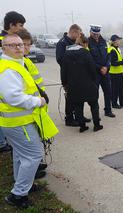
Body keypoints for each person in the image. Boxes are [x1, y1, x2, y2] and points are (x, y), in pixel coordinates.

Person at [0, 34, 58, 208]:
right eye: (13, 45)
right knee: (33, 156)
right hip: (19, 122)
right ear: (4, 48)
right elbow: (13, 97)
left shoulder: (14, 63)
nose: (18, 48)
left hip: (17, 122)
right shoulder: (9, 69)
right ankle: (17, 195)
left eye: (20, 44)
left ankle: (24, 185)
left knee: (20, 155)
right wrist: (37, 101)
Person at [17, 28, 49, 178]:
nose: (27, 48)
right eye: (24, 44)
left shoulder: (25, 60)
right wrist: (38, 100)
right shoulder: (16, 65)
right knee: (29, 152)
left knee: (27, 150)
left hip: (36, 104)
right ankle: (21, 191)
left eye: (29, 45)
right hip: (26, 111)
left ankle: (33, 169)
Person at [62, 33, 103, 133]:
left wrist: (65, 84)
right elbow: (92, 68)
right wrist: (94, 80)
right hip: (88, 84)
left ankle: (82, 126)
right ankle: (97, 125)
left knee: (78, 107)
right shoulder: (85, 53)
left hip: (73, 86)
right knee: (94, 105)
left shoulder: (66, 54)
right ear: (84, 43)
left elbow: (63, 71)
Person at [0, 11, 26, 153]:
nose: (21, 28)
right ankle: (3, 143)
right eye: (20, 25)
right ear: (11, 25)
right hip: (7, 87)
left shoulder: (11, 39)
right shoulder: (3, 41)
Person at [56, 24, 91, 126]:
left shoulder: (75, 42)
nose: (80, 36)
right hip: (69, 75)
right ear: (73, 32)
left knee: (79, 96)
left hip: (78, 75)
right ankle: (69, 118)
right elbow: (60, 59)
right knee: (70, 98)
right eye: (79, 34)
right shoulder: (62, 43)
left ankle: (79, 116)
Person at [88, 25, 115, 118]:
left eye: (97, 34)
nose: (96, 35)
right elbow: (89, 59)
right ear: (90, 32)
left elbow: (109, 56)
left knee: (108, 92)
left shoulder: (104, 42)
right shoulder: (87, 43)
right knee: (95, 94)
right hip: (95, 73)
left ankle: (108, 110)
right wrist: (100, 68)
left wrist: (106, 67)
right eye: (94, 34)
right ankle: (96, 114)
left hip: (105, 72)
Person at [108, 34, 123, 109]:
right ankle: (114, 104)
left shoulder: (116, 48)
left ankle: (122, 102)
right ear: (115, 41)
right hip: (114, 73)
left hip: (119, 72)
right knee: (115, 89)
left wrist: (121, 60)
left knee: (121, 88)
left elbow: (117, 60)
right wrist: (122, 62)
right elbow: (113, 63)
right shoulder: (112, 50)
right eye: (118, 40)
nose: (119, 41)